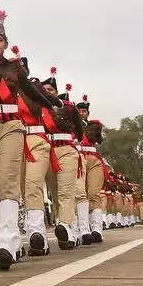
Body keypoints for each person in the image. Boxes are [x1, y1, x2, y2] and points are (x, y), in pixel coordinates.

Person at [0, 18, 52, 269]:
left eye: (0, 40)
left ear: (6, 44)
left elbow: (30, 92)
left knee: (8, 181)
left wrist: (51, 103)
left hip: (11, 126)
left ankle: (6, 240)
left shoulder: (13, 68)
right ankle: (3, 232)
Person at [41, 75, 84, 250]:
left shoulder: (67, 107)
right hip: (47, 151)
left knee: (66, 191)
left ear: (57, 92)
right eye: (43, 90)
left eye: (50, 90)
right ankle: (68, 228)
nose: (46, 93)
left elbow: (79, 130)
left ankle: (65, 226)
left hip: (66, 150)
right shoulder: (38, 107)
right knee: (55, 192)